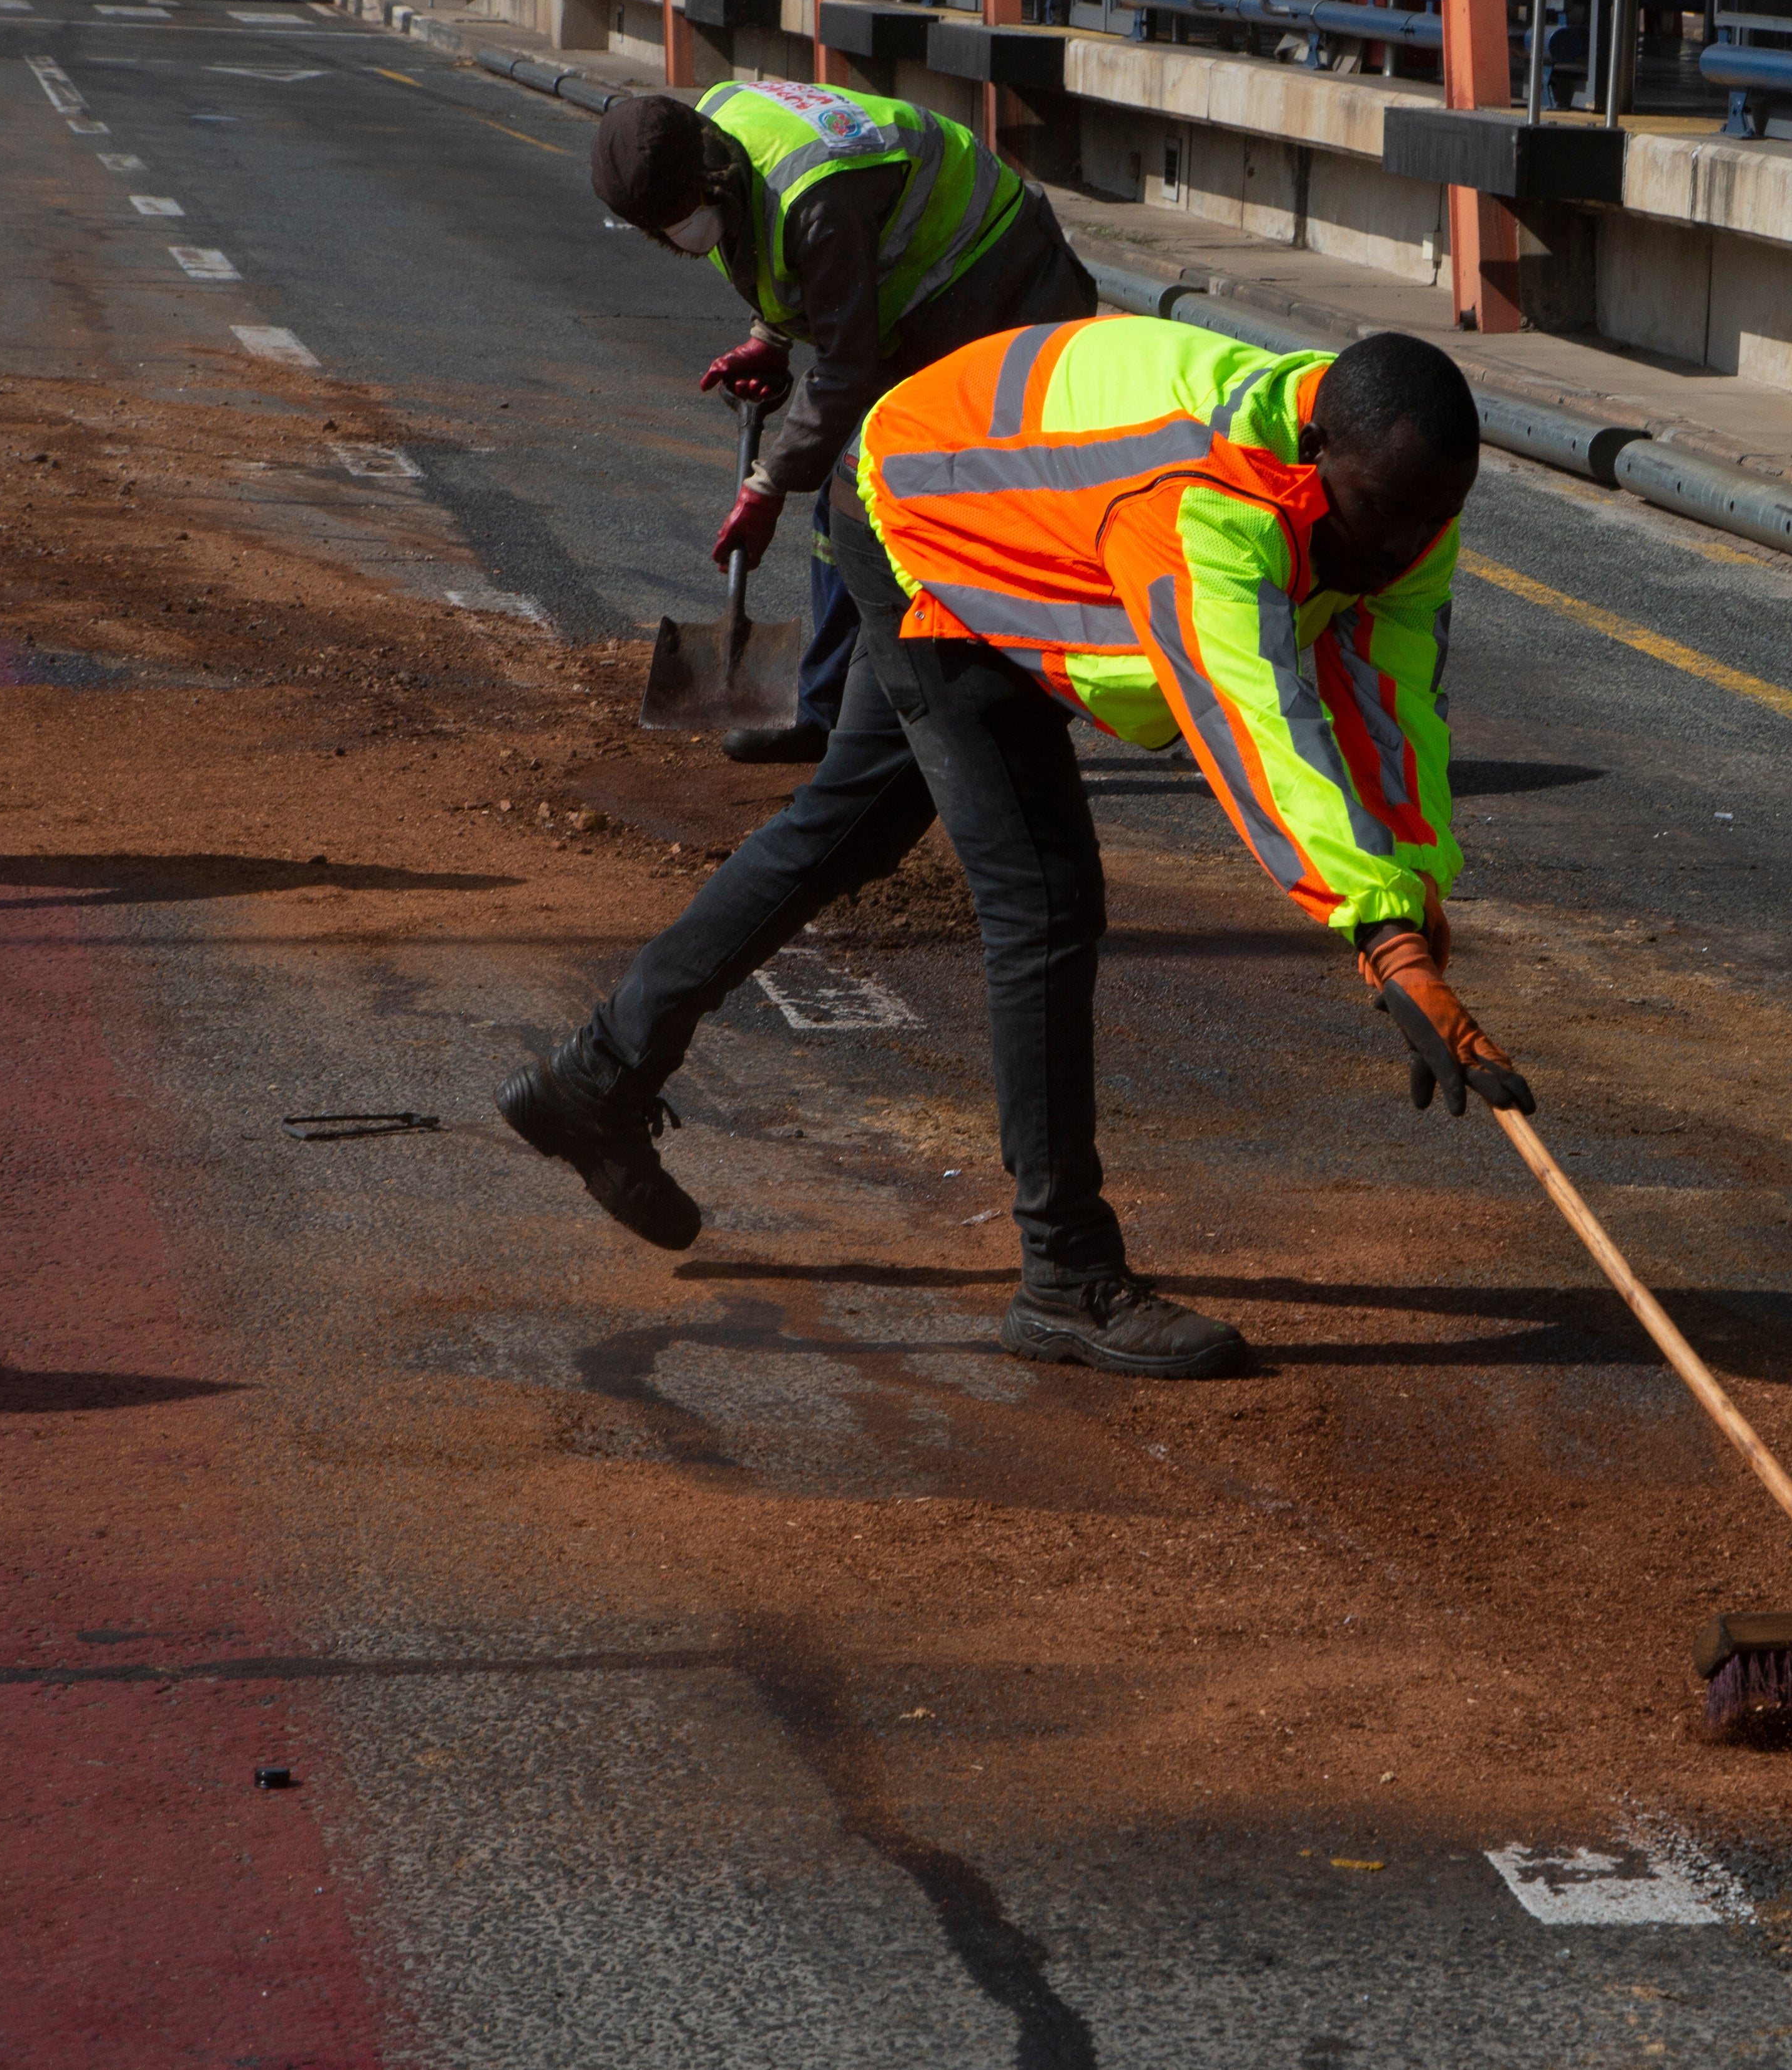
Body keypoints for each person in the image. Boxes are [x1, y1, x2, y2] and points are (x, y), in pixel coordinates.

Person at [497, 315, 1527, 1380]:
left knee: (845, 826)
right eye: (1386, 515)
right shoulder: (1197, 500)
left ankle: (599, 1074)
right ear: (1317, 456)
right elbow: (1255, 719)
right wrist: (1375, 930)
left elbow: (1386, 703)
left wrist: (1411, 903)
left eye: (1433, 521)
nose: (1404, 546)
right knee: (1042, 898)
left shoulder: (1394, 499)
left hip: (979, 492)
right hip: (931, 527)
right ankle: (1064, 1273)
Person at [587, 83, 1101, 765]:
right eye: (659, 229)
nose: (675, 235)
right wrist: (768, 339)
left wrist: (767, 486)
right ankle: (831, 713)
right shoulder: (714, 137)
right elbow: (789, 262)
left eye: (679, 216)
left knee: (934, 504)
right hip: (917, 294)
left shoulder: (815, 195)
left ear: (709, 176)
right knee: (853, 505)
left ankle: (1007, 711)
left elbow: (846, 363)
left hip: (998, 280)